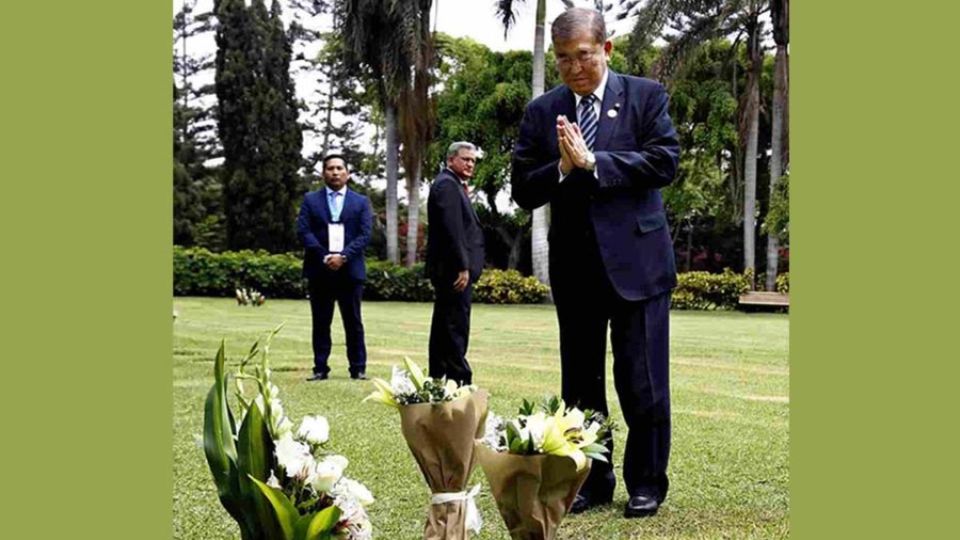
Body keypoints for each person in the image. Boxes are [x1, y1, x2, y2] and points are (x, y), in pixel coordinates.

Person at [510, 8, 680, 518]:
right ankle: (590, 479)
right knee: (581, 385)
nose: (573, 68)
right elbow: (522, 188)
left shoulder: (646, 96)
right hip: (577, 269)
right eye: (562, 59)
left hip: (640, 266)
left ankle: (646, 482)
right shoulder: (544, 112)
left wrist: (596, 163)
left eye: (582, 55)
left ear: (606, 49)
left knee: (643, 383)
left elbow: (664, 160)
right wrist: (561, 167)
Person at [296, 154, 373, 381]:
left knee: (353, 322)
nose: (335, 172)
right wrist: (325, 256)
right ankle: (320, 368)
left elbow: (365, 234)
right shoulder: (311, 200)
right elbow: (304, 231)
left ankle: (357, 369)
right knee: (321, 322)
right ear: (323, 174)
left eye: (340, 168)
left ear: (347, 173)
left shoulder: (360, 202)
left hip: (350, 271)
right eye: (330, 168)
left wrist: (344, 256)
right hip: (320, 271)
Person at [425, 142, 485, 385]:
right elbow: (453, 229)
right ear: (451, 160)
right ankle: (459, 377)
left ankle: (438, 373)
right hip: (453, 270)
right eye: (465, 159)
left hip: (451, 267)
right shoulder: (447, 185)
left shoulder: (451, 184)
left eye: (473, 160)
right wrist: (463, 265)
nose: (470, 164)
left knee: (444, 322)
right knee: (454, 324)